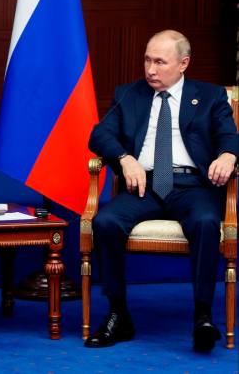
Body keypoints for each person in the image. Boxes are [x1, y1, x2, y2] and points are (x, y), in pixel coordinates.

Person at [85, 29, 238, 352]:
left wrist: (228, 155)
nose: (150, 70)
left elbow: (229, 136)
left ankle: (203, 316)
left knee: (206, 223)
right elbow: (99, 136)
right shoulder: (130, 94)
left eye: (160, 62)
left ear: (183, 63)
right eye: (147, 60)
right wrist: (125, 158)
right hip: (145, 185)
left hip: (192, 186)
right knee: (105, 222)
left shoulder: (210, 96)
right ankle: (118, 314)